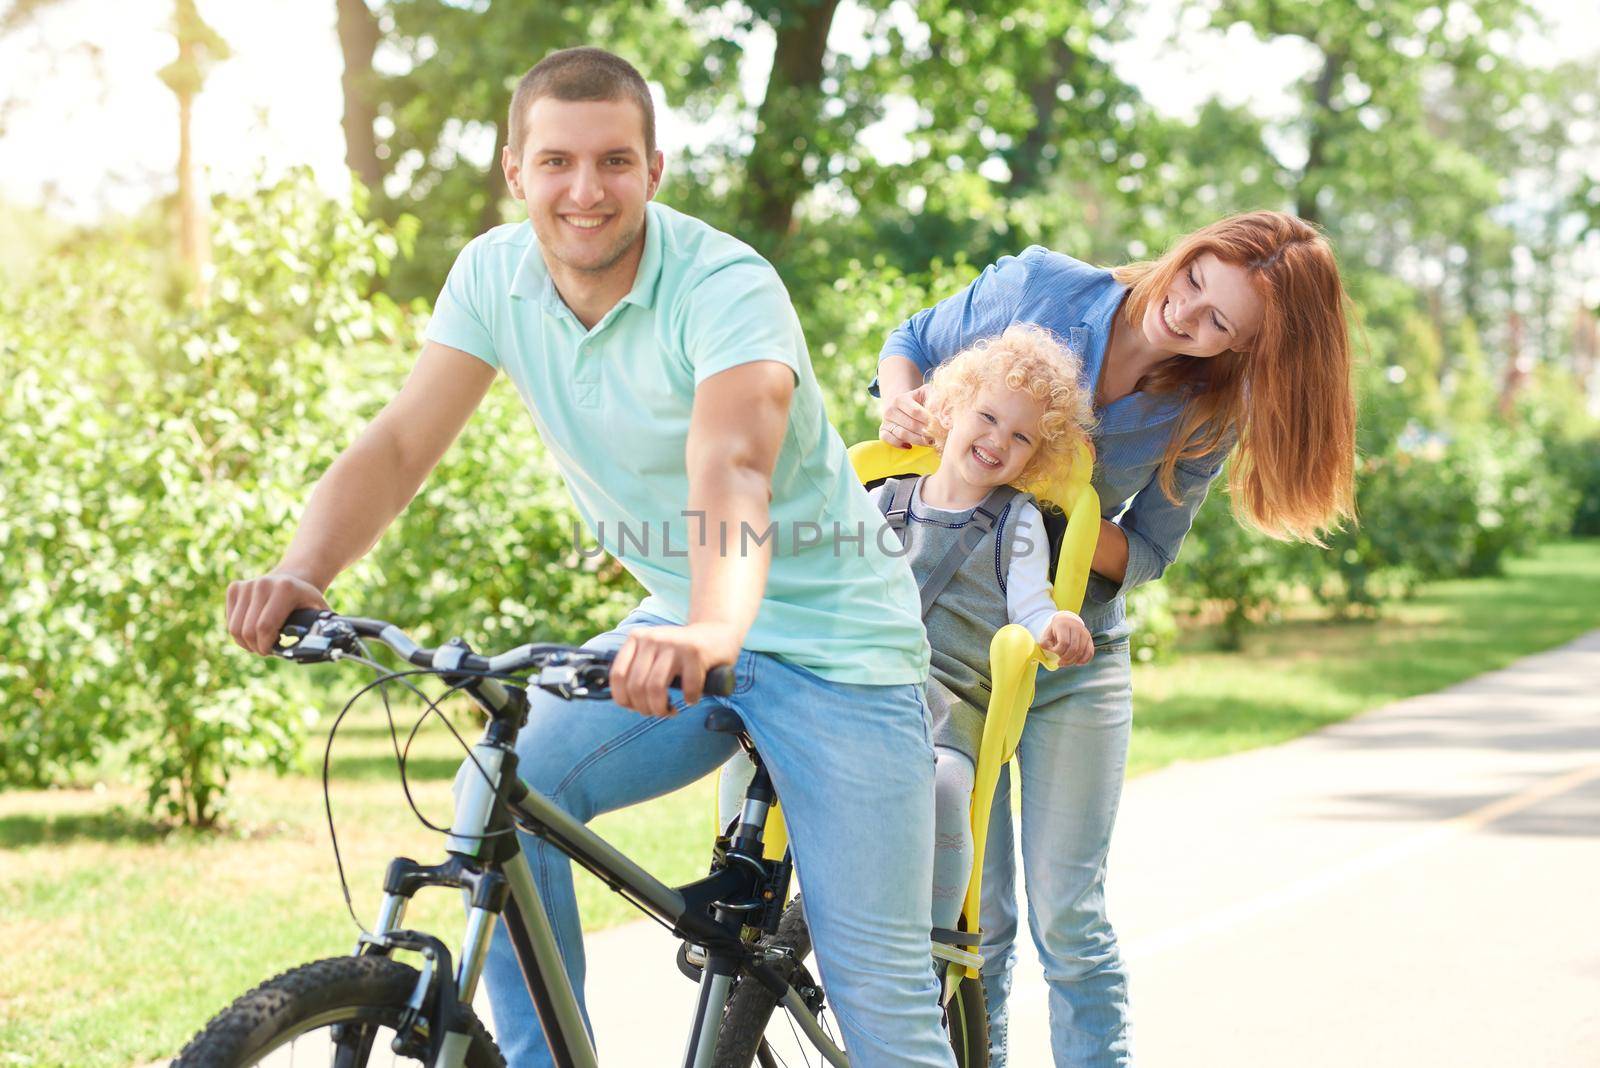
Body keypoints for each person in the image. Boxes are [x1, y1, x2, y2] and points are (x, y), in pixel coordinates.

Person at [226, 46, 958, 1068]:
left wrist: (711, 626)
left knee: (880, 1004)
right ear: (515, 171)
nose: (585, 190)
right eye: (557, 162)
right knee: (504, 790)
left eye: (615, 161)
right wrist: (304, 571)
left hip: (837, 649)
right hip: (684, 621)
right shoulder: (494, 275)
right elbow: (398, 446)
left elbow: (734, 461)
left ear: (653, 171)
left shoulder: (725, 284)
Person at [873, 211, 1357, 1067]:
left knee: (1072, 917)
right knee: (974, 916)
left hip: (1075, 657)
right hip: (957, 661)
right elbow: (912, 338)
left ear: (1245, 350)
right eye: (1198, 281)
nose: (1189, 316)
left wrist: (1045, 497)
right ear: (1197, 246)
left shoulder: (1209, 409)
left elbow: (1152, 549)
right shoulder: (1040, 287)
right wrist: (903, 401)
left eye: (1221, 326)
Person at [867, 323, 1097, 939]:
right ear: (949, 407)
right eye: (988, 417)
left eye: (1021, 437)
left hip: (947, 700)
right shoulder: (883, 502)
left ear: (1035, 458)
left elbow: (1031, 607)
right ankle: (742, 882)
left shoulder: (1016, 520)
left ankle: (933, 946)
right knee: (751, 729)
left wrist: (1056, 625)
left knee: (944, 787)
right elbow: (827, 585)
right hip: (861, 682)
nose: (998, 440)